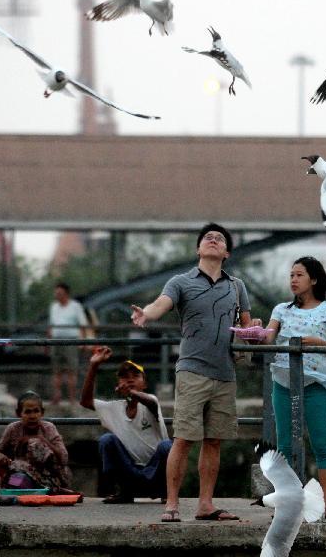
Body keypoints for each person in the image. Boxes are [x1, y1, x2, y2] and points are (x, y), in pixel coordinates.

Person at [131, 223, 257, 523]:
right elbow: (162, 303)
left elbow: (248, 326)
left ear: (226, 253)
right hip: (192, 370)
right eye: (208, 238)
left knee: (214, 440)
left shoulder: (236, 286)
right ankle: (172, 504)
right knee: (184, 439)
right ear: (198, 249)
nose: (213, 240)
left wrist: (255, 333)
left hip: (226, 373)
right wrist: (146, 313)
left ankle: (205, 504)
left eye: (220, 239)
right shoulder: (181, 281)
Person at [263, 256, 326, 519]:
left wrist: (315, 342)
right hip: (284, 381)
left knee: (322, 444)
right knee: (284, 444)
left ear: (313, 279)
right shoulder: (280, 309)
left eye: (299, 275)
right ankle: (287, 504)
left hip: (315, 383)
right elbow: (268, 339)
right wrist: (254, 330)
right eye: (291, 275)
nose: (293, 280)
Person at [80, 345, 172, 503]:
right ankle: (122, 491)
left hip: (156, 472)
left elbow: (151, 402)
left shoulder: (150, 401)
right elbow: (85, 401)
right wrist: (94, 365)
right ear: (118, 383)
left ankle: (166, 491)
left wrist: (131, 393)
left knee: (167, 446)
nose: (129, 379)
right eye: (124, 376)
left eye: (135, 375)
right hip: (130, 472)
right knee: (106, 440)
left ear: (144, 384)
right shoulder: (115, 408)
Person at [0, 391, 74, 494]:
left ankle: (52, 490)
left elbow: (64, 458)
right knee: (15, 481)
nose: (32, 416)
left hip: (49, 476)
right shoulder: (13, 429)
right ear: (19, 413)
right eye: (27, 412)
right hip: (21, 473)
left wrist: (42, 441)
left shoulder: (49, 428)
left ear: (42, 412)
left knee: (35, 443)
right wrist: (3, 458)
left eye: (36, 411)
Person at [48, 282, 88, 405]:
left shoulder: (75, 306)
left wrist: (83, 341)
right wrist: (48, 341)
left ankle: (72, 398)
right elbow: (51, 325)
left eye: (59, 293)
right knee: (56, 370)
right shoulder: (54, 307)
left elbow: (83, 325)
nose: (57, 295)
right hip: (56, 341)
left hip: (71, 340)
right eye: (56, 293)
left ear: (66, 294)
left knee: (72, 370)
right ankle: (57, 396)